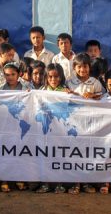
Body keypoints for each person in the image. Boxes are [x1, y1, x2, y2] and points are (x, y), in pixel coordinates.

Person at [66, 53, 104, 195]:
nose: (83, 70)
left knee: (88, 153)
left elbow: (103, 97)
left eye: (86, 66)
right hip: (74, 124)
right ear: (75, 68)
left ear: (90, 67)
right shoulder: (70, 82)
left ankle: (87, 182)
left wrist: (93, 96)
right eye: (79, 67)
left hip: (89, 123)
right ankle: (76, 182)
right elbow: (65, 96)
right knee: (75, 153)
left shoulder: (95, 82)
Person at [37, 63, 68, 194]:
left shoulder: (66, 91)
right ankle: (45, 183)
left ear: (61, 77)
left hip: (61, 130)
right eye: (50, 77)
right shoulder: (41, 91)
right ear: (46, 77)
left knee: (60, 156)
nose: (53, 80)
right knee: (45, 156)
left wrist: (71, 94)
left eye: (56, 77)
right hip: (45, 130)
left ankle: (60, 183)